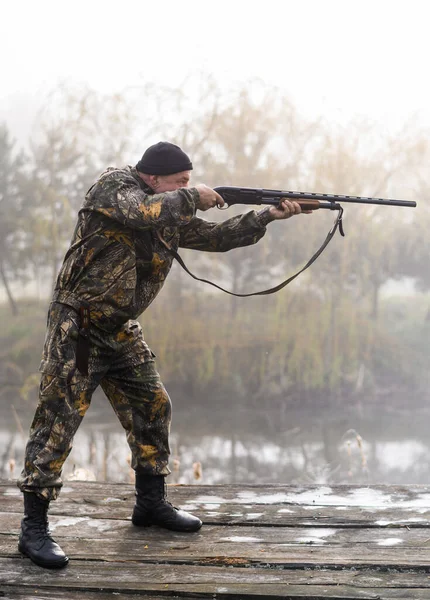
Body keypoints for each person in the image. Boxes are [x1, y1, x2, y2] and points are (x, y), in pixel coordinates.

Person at [17, 141, 309, 569]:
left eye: (189, 182)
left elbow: (215, 237)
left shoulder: (168, 211)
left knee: (153, 406)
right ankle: (33, 530)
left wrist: (267, 215)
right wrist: (193, 197)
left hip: (120, 330)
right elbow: (140, 213)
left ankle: (150, 505)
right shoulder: (113, 187)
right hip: (78, 329)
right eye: (181, 182)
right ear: (154, 178)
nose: (188, 188)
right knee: (58, 420)